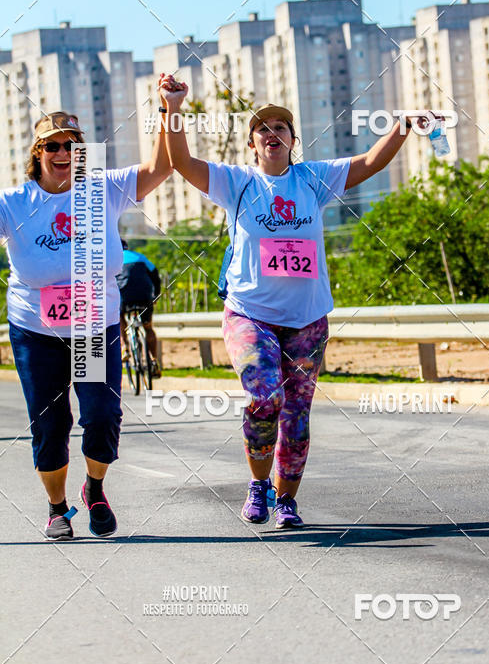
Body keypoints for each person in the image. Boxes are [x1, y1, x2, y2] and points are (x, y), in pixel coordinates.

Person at [163, 72, 421, 529]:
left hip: (307, 320)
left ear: (292, 140)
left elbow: (370, 163)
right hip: (250, 314)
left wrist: (402, 124)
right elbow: (181, 162)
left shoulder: (313, 180)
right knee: (265, 398)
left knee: (297, 413)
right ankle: (258, 486)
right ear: (252, 144)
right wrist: (174, 108)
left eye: (280, 127)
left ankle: (286, 500)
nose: (271, 133)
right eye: (263, 129)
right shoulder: (235, 182)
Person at [1, 83, 181, 540]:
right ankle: (56, 507)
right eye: (54, 145)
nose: (65, 152)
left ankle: (95, 487)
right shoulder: (14, 203)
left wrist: (170, 108)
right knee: (50, 420)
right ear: (38, 153)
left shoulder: (105, 188)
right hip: (35, 329)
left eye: (74, 144)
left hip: (94, 326)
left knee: (101, 414)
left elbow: (163, 165)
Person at [117, 239, 162, 378]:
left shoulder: (112, 260)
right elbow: (155, 275)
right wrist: (156, 295)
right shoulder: (140, 257)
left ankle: (124, 347)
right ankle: (154, 360)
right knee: (148, 327)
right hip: (145, 295)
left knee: (118, 316)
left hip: (123, 296)